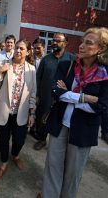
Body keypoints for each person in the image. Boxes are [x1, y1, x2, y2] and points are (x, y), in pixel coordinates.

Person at [40, 27, 108, 198]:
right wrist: (86, 98)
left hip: (84, 130)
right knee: (53, 167)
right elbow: (56, 91)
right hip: (59, 124)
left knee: (73, 174)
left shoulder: (105, 75)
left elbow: (101, 106)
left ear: (100, 49)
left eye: (88, 43)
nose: (81, 46)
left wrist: (70, 95)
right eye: (82, 41)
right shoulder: (67, 65)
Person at [0, 39, 36, 180]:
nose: (17, 50)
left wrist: (32, 112)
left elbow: (33, 92)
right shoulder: (4, 64)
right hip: (4, 110)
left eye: (22, 49)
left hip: (21, 112)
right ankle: (4, 163)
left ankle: (15, 155)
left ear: (28, 51)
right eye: (17, 48)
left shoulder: (31, 69)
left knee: (20, 139)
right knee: (4, 140)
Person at [34, 33, 76, 150]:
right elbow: (38, 77)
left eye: (58, 41)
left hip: (63, 96)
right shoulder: (46, 59)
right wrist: (37, 95)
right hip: (46, 95)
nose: (55, 43)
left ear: (65, 44)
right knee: (42, 118)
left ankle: (56, 143)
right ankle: (41, 139)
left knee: (59, 119)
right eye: (54, 40)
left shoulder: (71, 59)